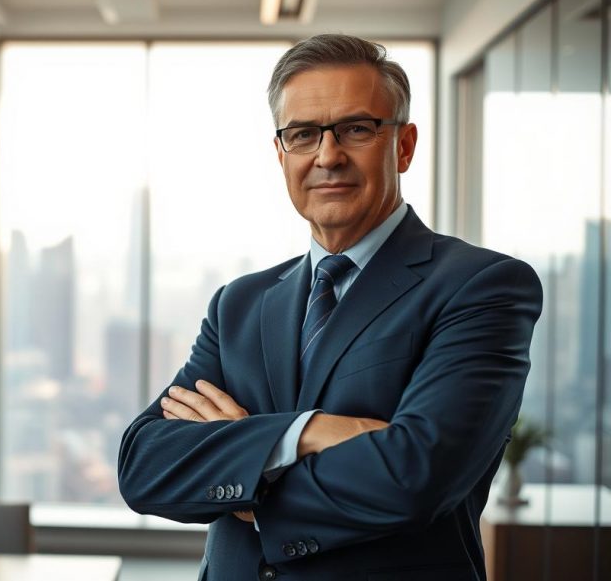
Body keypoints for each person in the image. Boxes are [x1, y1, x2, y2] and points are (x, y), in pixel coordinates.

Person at [117, 34, 543, 581]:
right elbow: (145, 465)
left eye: (356, 129)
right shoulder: (240, 304)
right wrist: (306, 432)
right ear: (281, 155)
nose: (327, 156)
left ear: (404, 145)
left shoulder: (481, 286)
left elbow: (415, 477)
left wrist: (245, 474)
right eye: (303, 134)